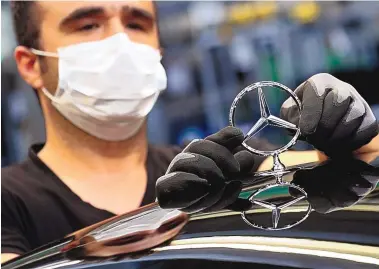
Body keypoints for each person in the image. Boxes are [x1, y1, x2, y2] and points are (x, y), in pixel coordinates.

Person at [2, 0, 378, 263]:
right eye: (88, 24)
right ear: (31, 64)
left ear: (158, 50)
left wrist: (358, 141)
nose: (121, 43)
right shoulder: (9, 202)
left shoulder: (226, 168)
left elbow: (349, 192)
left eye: (136, 23)